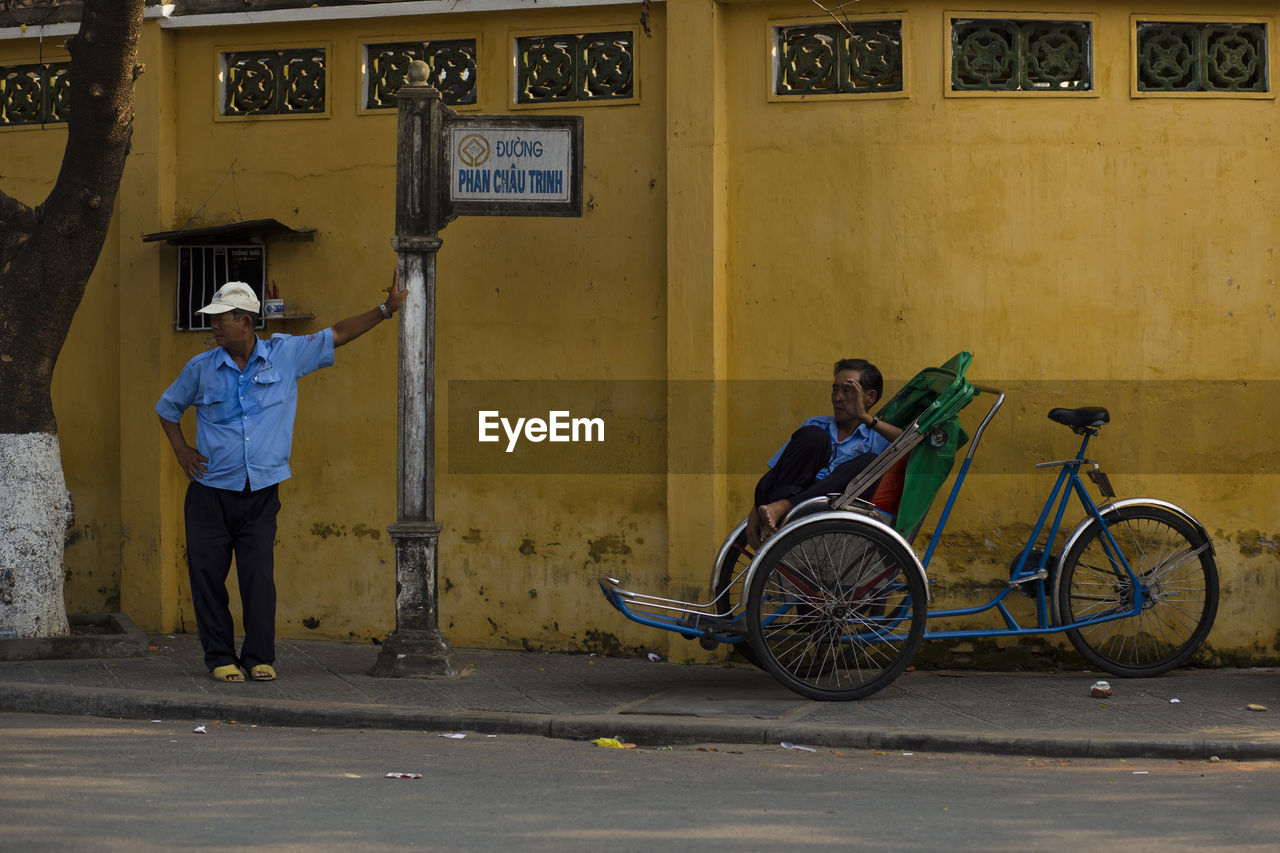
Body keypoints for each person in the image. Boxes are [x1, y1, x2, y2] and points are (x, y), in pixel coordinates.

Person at [156, 271, 406, 682]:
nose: (214, 325)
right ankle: (220, 657)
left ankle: (258, 657)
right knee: (207, 577)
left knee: (258, 578)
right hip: (209, 492)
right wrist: (182, 450)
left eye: (223, 318)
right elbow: (167, 409)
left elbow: (338, 333)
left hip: (260, 492)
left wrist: (386, 310)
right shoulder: (200, 368)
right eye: (213, 318)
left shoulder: (285, 355)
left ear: (246, 322)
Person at [745, 358, 903, 549]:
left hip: (832, 506)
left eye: (848, 390)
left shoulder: (876, 437)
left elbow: (908, 444)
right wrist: (755, 512)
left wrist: (865, 418)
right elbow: (779, 471)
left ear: (869, 397)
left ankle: (785, 506)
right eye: (835, 389)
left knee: (870, 461)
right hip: (788, 493)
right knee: (814, 436)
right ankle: (780, 507)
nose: (838, 398)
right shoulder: (816, 425)